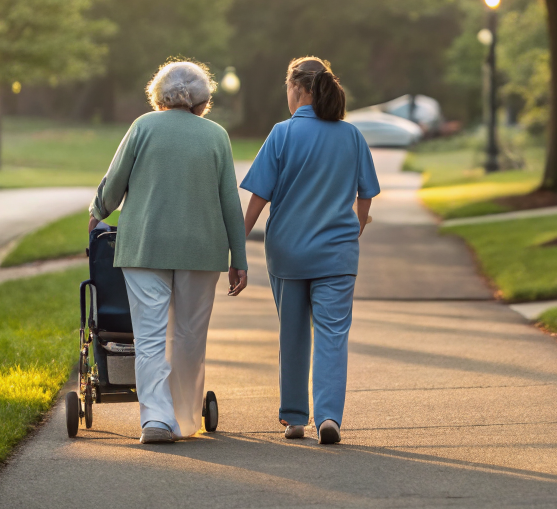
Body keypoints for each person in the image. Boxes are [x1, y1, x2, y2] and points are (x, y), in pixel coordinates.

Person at [89, 60, 247, 444]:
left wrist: (98, 212)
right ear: (202, 99)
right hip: (201, 249)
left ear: (159, 94)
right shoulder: (216, 136)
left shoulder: (142, 126)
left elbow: (115, 183)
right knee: (190, 336)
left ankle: (155, 421)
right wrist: (238, 258)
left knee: (149, 336)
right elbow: (230, 202)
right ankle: (184, 418)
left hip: (145, 245)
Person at [238, 56, 380, 445]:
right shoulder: (350, 135)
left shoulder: (282, 134)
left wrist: (236, 246)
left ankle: (295, 418)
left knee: (293, 333)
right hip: (336, 254)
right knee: (333, 334)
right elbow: (365, 196)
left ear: (296, 88)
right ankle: (329, 416)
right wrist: (355, 229)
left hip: (288, 252)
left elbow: (258, 199)